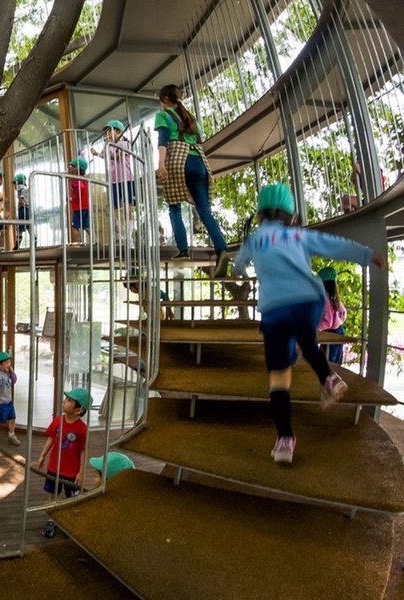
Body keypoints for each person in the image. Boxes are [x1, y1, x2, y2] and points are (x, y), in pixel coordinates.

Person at [232, 184, 385, 464]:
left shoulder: (254, 241)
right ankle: (328, 378)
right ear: (290, 215)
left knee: (279, 379)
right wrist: (367, 256)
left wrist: (237, 270)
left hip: (275, 311)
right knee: (307, 342)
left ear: (259, 215)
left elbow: (237, 266)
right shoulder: (298, 235)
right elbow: (334, 246)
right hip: (307, 301)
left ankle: (285, 441)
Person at [154, 85, 228, 276]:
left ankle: (183, 249)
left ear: (165, 99)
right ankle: (221, 249)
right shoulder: (190, 116)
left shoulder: (163, 115)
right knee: (204, 211)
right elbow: (198, 138)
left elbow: (163, 140)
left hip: (178, 160)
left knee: (174, 205)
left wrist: (161, 164)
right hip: (199, 161)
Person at [37, 388, 90, 537]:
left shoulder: (82, 429)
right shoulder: (58, 420)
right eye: (66, 399)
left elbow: (83, 451)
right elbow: (51, 438)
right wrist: (42, 455)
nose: (64, 401)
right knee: (52, 495)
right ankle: (51, 521)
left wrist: (81, 472)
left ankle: (68, 522)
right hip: (54, 468)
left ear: (79, 410)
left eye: (69, 400)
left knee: (70, 497)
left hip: (71, 472)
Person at [91, 120, 135, 240]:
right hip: (113, 181)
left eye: (109, 131)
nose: (107, 135)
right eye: (106, 133)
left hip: (126, 179)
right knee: (113, 207)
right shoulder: (109, 146)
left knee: (127, 206)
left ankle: (129, 235)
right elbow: (105, 155)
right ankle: (117, 234)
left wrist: (101, 154)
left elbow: (117, 155)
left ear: (118, 132)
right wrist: (97, 154)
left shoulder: (124, 144)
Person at [317, 266, 347, 365]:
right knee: (337, 360)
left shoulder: (325, 301)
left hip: (329, 334)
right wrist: (338, 323)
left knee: (327, 361)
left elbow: (327, 322)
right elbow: (344, 314)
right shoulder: (336, 300)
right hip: (339, 331)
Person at [68, 157, 90, 245]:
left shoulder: (75, 179)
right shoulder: (84, 178)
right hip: (86, 205)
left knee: (74, 226)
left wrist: (72, 198)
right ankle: (95, 240)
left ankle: (77, 244)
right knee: (86, 225)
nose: (70, 167)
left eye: (72, 166)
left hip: (79, 207)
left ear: (77, 169)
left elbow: (79, 189)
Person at [13, 173, 30, 250]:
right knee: (29, 227)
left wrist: (19, 206)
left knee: (20, 229)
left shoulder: (20, 188)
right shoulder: (27, 188)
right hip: (28, 209)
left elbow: (21, 199)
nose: (14, 187)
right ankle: (35, 243)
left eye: (14, 184)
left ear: (17, 182)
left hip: (23, 209)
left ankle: (17, 245)